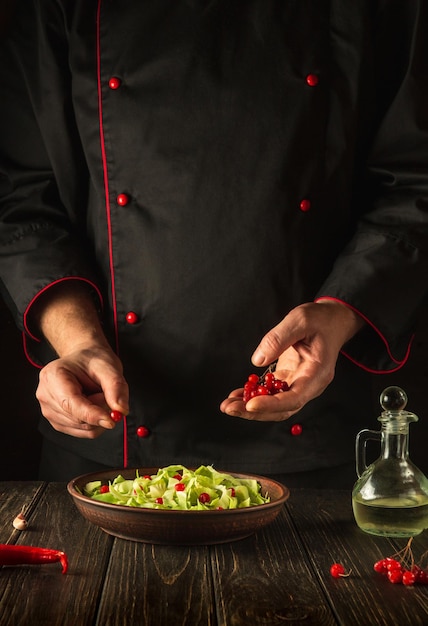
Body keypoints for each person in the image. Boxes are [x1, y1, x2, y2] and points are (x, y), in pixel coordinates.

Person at [0, 1, 427, 486]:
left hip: (320, 436)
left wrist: (339, 313)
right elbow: (20, 198)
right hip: (110, 437)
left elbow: (417, 181)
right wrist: (78, 342)